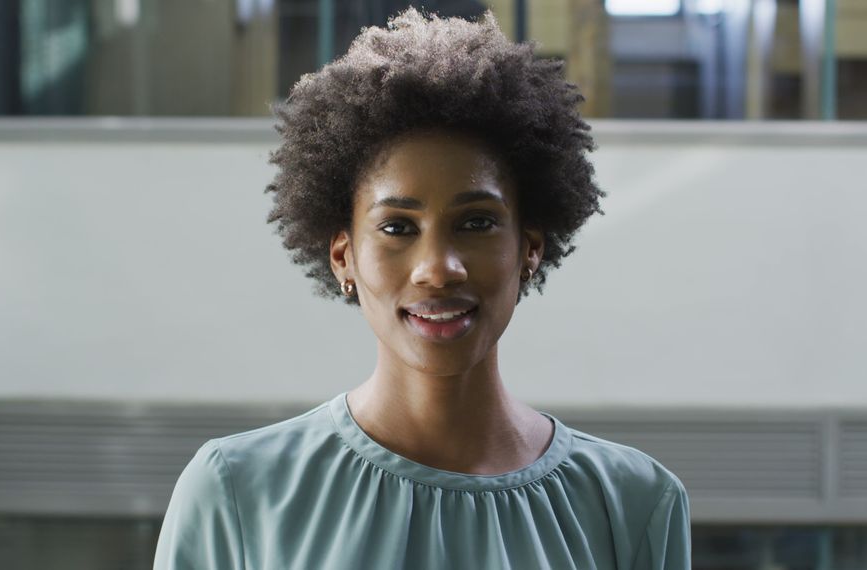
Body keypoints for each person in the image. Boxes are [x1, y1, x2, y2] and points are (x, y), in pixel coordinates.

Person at [154, 8, 690, 570]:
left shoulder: (633, 503)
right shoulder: (239, 491)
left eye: (477, 222)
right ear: (344, 258)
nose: (438, 268)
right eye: (397, 228)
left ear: (529, 247)